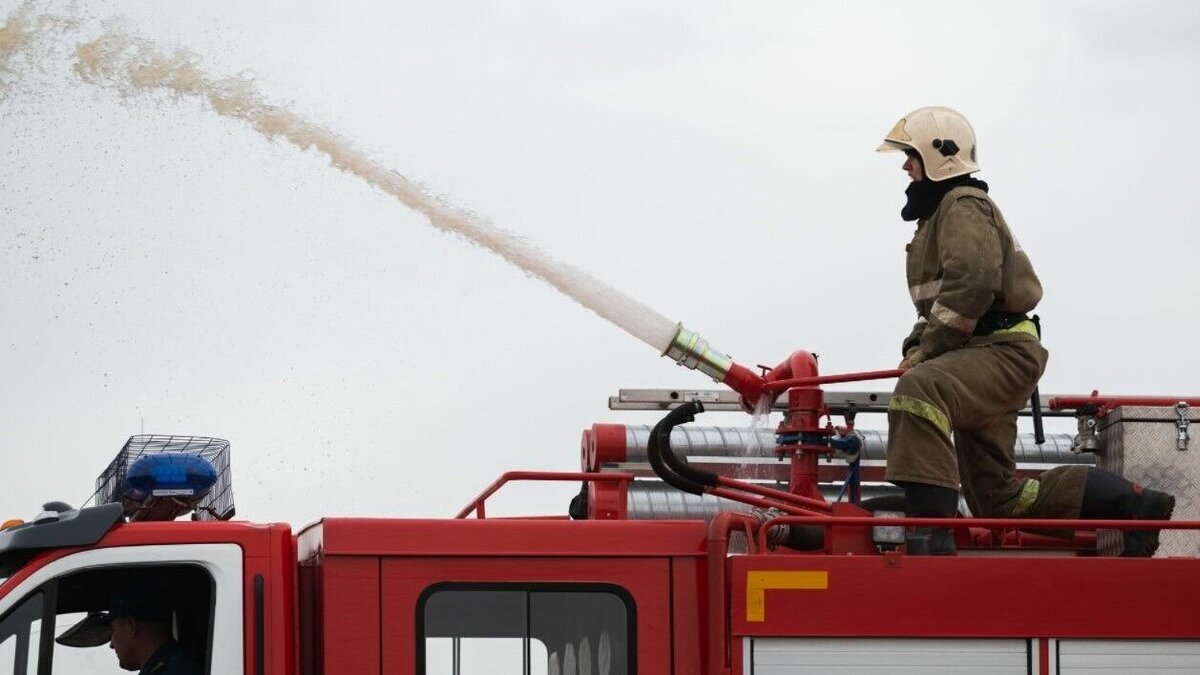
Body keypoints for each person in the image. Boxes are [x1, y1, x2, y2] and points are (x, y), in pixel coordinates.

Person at [876, 106, 1174, 556]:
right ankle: (1134, 505)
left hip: (999, 353)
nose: (905, 168)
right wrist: (918, 344)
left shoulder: (961, 205)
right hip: (982, 355)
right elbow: (942, 305)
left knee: (919, 393)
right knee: (998, 501)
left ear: (938, 158)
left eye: (910, 157)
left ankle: (931, 538)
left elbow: (972, 284)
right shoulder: (939, 220)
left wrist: (927, 352)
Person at [56, 585, 202, 674]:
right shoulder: (175, 665)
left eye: (113, 631)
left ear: (131, 626)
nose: (111, 644)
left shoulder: (174, 671)